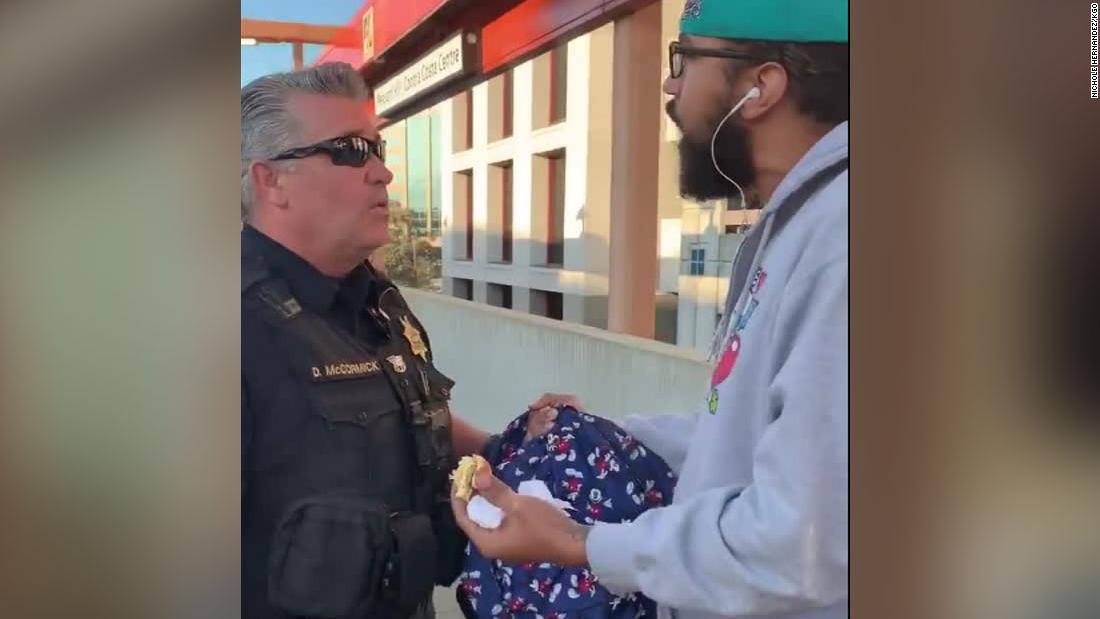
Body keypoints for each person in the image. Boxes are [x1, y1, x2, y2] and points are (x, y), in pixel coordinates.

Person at [451, 2, 849, 619]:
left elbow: (804, 544)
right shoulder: (800, 225)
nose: (671, 84)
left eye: (685, 59)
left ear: (760, 87)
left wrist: (580, 544)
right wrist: (594, 437)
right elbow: (749, 433)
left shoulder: (849, 237)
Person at [240, 63, 553, 619]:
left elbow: (412, 415)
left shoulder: (378, 299)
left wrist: (516, 442)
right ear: (272, 181)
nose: (382, 172)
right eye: (352, 150)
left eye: (379, 149)